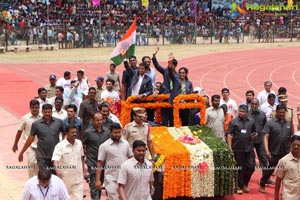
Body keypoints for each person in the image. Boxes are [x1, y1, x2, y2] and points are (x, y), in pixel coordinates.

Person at [259, 104, 294, 193]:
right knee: (270, 169)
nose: (281, 114)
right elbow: (266, 137)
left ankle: (285, 190)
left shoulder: (289, 123)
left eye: (283, 112)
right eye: (280, 112)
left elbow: (292, 137)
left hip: (286, 151)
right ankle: (263, 182)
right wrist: (266, 150)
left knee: (286, 171)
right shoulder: (270, 123)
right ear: (276, 112)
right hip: (274, 151)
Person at [18, 104, 64, 171]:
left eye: (49, 112)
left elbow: (65, 133)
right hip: (42, 156)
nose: (47, 114)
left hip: (55, 155)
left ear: (52, 112)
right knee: (43, 176)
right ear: (42, 112)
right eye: (45, 112)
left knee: (55, 176)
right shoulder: (36, 124)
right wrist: (22, 152)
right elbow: (30, 139)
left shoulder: (59, 122)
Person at [95, 123, 133, 200]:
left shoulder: (125, 143)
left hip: (125, 178)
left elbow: (131, 158)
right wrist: (98, 180)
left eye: (119, 132)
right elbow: (100, 163)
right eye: (115, 132)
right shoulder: (104, 146)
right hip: (111, 178)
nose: (118, 134)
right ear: (110, 133)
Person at [227, 104, 257, 194]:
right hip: (238, 149)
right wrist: (230, 148)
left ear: (247, 113)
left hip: (249, 148)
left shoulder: (251, 121)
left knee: (251, 167)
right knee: (239, 168)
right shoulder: (233, 122)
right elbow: (229, 134)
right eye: (240, 111)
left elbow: (255, 132)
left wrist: (255, 136)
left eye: (243, 112)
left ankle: (245, 183)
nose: (241, 113)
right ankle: (239, 186)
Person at [52, 124, 87, 200]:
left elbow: (81, 157)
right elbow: (55, 160)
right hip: (65, 178)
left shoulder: (79, 143)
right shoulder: (60, 146)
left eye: (75, 132)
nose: (74, 134)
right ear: (66, 133)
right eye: (72, 132)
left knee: (79, 198)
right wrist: (57, 170)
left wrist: (84, 170)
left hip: (78, 177)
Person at [82, 112, 110, 200]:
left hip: (105, 162)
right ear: (93, 121)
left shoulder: (107, 131)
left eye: (101, 120)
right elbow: (82, 145)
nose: (99, 122)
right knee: (94, 184)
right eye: (97, 120)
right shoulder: (88, 132)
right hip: (93, 161)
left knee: (100, 183)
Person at [12, 99, 42, 178]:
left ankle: (38, 182)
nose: (35, 109)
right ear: (30, 108)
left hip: (41, 145)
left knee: (38, 165)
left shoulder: (43, 117)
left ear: (39, 108)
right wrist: (15, 144)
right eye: (33, 107)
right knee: (31, 163)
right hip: (29, 145)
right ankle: (31, 181)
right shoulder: (25, 118)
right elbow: (19, 131)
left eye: (36, 107)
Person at [152, 48, 178, 126]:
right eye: (169, 64)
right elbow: (157, 66)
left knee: (172, 114)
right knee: (164, 113)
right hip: (164, 95)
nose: (170, 66)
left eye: (171, 64)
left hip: (173, 97)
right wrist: (154, 56)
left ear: (175, 65)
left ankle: (172, 127)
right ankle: (164, 125)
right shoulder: (165, 71)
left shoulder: (178, 75)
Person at [248, 98, 270, 182]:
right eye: (252, 104)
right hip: (250, 141)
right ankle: (246, 178)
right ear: (250, 104)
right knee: (250, 161)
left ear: (258, 105)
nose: (254, 106)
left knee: (263, 160)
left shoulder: (262, 114)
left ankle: (265, 178)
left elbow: (265, 126)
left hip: (260, 141)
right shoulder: (247, 114)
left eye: (256, 104)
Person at [274, 132, 300, 200]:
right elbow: (278, 180)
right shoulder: (283, 161)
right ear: (291, 145)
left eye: (298, 145)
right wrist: (276, 196)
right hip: (288, 197)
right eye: (294, 144)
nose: (296, 146)